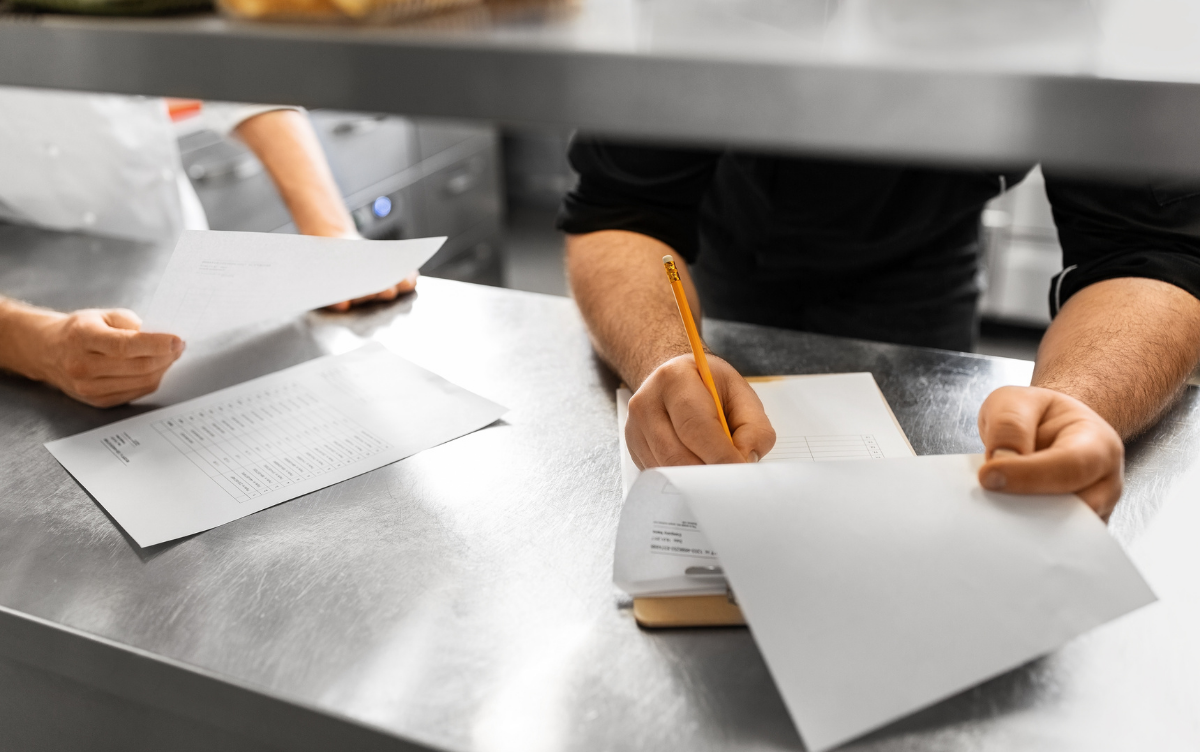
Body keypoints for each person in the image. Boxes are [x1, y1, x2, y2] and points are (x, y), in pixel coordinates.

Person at [558, 138, 1200, 520]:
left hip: (923, 249)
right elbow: (621, 207)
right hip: (724, 234)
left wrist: (1079, 406)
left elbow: (1148, 245)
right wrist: (663, 355)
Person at [0, 88, 414, 407]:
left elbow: (237, 73)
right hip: (19, 294)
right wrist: (39, 346)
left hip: (170, 257)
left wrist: (331, 233)